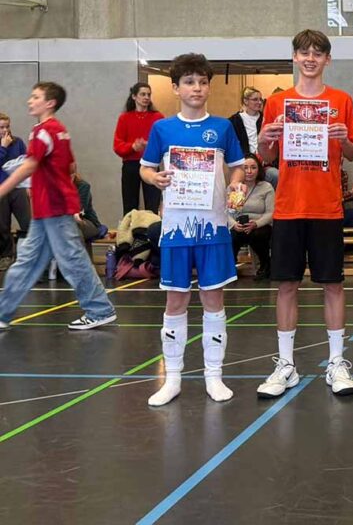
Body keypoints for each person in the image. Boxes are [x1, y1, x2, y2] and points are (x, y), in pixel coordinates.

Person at [256, 30, 353, 398]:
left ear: (327, 59)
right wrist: (265, 138)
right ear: (295, 57)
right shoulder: (277, 102)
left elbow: (352, 153)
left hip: (327, 207)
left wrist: (343, 137)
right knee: (287, 285)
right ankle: (286, 364)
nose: (310, 58)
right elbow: (267, 156)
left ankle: (337, 362)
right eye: (304, 52)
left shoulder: (340, 100)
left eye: (318, 53)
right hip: (288, 206)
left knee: (333, 285)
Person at [141, 54, 246, 406]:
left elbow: (238, 168)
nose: (196, 88)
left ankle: (213, 376)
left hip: (213, 227)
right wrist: (154, 178)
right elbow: (145, 168)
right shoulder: (162, 129)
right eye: (189, 82)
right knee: (176, 300)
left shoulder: (223, 127)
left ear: (208, 87)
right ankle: (172, 378)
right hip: (176, 229)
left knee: (213, 299)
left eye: (202, 82)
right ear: (175, 88)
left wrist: (237, 184)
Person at [0, 83, 117, 331]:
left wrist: (3, 188)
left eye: (36, 97)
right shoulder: (59, 130)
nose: (30, 100)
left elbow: (30, 165)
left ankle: (100, 310)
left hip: (55, 208)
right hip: (46, 209)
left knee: (72, 260)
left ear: (50, 103)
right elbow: (69, 166)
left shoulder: (43, 131)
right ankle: (3, 313)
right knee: (26, 262)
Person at [113, 82, 164, 215]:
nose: (146, 97)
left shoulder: (158, 118)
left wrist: (151, 145)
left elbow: (164, 142)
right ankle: (130, 227)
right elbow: (117, 145)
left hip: (151, 164)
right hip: (130, 164)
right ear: (134, 96)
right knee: (130, 205)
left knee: (152, 204)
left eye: (148, 94)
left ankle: (152, 227)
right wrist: (133, 147)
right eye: (143, 94)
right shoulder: (125, 118)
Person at [229, 154, 275, 281]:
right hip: (238, 224)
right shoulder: (233, 187)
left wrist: (256, 223)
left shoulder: (266, 187)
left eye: (253, 167)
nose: (249, 171)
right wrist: (233, 224)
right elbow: (226, 212)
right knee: (231, 235)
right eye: (245, 168)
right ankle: (230, 267)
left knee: (258, 235)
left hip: (259, 224)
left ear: (259, 170)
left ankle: (265, 266)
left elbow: (271, 213)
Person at [0, 112, 31, 271]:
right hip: (2, 189)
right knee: (2, 226)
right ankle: (6, 255)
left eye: (7, 126)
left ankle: (30, 255)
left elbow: (26, 163)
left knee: (28, 222)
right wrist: (3, 148)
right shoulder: (4, 146)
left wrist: (29, 186)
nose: (5, 130)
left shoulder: (17, 142)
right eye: (1, 127)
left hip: (18, 188)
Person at [229, 87, 264, 155]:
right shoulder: (234, 121)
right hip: (243, 158)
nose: (259, 102)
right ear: (245, 101)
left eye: (260, 99)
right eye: (255, 99)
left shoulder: (265, 118)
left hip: (263, 158)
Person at [71, 167, 103, 242]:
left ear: (74, 174)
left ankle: (79, 250)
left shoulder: (83, 186)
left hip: (87, 221)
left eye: (70, 176)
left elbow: (80, 209)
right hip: (67, 221)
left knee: (73, 227)